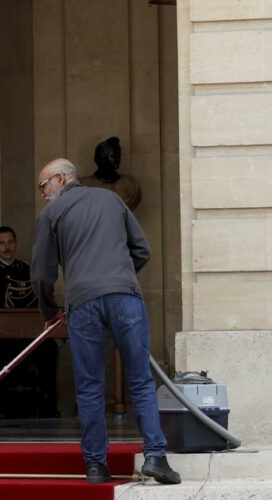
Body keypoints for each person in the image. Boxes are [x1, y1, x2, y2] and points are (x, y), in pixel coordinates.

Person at [31, 158, 180, 485]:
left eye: (43, 186)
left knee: (89, 386)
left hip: (83, 303)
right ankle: (155, 456)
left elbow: (41, 275)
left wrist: (49, 313)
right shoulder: (112, 199)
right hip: (125, 296)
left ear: (60, 179)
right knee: (140, 379)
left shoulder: (50, 215)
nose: (42, 194)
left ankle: (96, 465)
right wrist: (120, 277)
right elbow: (142, 249)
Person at [0, 227, 57, 418]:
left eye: (10, 242)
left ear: (16, 243)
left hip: (24, 334)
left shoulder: (28, 271)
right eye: (2, 243)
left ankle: (47, 405)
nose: (7, 247)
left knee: (50, 348)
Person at [81, 136, 142, 210]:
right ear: (102, 158)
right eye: (113, 156)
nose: (118, 159)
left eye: (119, 155)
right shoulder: (84, 185)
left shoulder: (131, 184)